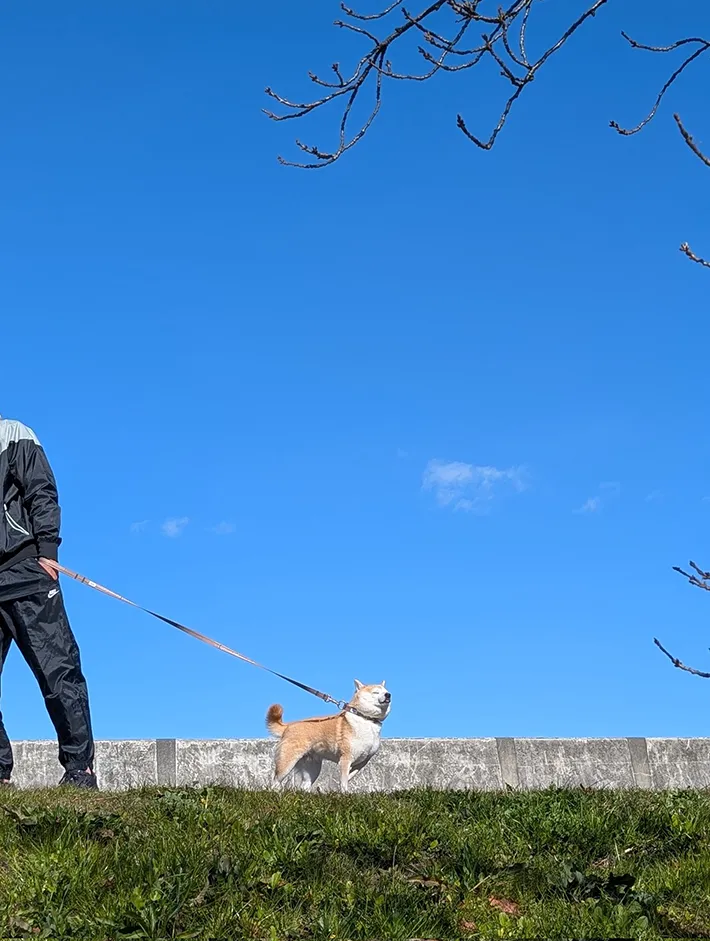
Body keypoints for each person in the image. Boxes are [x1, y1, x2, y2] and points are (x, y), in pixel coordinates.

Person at [0, 416, 96, 789]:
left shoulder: (13, 434)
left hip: (25, 569)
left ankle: (79, 769)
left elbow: (41, 490)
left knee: (58, 670)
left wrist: (47, 551)